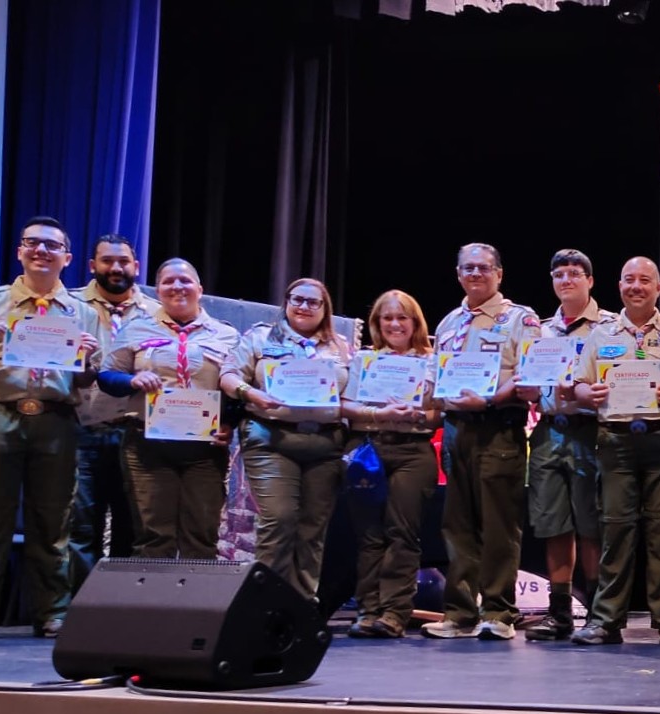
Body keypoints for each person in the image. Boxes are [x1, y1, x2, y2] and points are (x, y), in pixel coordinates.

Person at [0, 217, 104, 638]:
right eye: (32, 242)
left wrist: (85, 358)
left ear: (67, 258)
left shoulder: (83, 313)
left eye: (52, 246)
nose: (41, 250)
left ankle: (53, 612)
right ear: (20, 252)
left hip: (55, 419)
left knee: (53, 521)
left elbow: (85, 380)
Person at [571, 256, 660, 647]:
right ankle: (605, 620)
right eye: (629, 279)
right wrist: (590, 393)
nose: (636, 286)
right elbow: (580, 384)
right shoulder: (600, 334)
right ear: (619, 286)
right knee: (615, 531)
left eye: (645, 280)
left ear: (658, 288)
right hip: (616, 442)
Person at [424, 243, 542, 640]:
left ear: (499, 274)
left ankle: (498, 612)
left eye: (484, 268)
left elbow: (529, 374)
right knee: (457, 525)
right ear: (458, 274)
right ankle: (459, 614)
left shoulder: (520, 319)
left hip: (498, 427)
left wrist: (489, 400)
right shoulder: (448, 323)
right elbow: (436, 377)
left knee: (498, 525)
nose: (476, 274)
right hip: (456, 430)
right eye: (468, 268)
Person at [97, 258, 239, 561]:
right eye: (168, 281)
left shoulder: (225, 334)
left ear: (200, 289)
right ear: (158, 290)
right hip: (148, 446)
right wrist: (132, 380)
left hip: (204, 450)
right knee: (153, 538)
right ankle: (151, 594)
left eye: (185, 280)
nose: (177, 286)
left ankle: (196, 594)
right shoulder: (137, 328)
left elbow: (238, 387)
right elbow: (107, 377)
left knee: (200, 538)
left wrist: (229, 423)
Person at [220, 277, 351, 602]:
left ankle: (302, 605)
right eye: (297, 299)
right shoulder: (261, 336)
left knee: (312, 527)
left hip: (325, 443)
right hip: (271, 438)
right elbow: (229, 375)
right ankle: (267, 604)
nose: (304, 306)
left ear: (325, 308)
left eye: (313, 302)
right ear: (287, 302)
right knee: (279, 519)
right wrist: (251, 394)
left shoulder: (340, 345)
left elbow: (354, 391)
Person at [518, 249, 617, 641]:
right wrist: (526, 388)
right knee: (553, 522)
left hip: (590, 430)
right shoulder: (539, 331)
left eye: (575, 273)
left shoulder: (610, 327)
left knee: (590, 524)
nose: (566, 280)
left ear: (590, 281)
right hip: (549, 431)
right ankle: (559, 612)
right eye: (559, 274)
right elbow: (529, 385)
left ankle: (597, 612)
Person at [338, 290, 440, 638]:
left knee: (402, 533)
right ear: (377, 323)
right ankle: (368, 610)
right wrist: (376, 414)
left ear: (415, 322)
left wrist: (420, 415)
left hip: (413, 451)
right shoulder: (364, 360)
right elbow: (344, 405)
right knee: (369, 536)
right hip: (368, 449)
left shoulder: (433, 361)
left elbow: (443, 412)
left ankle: (395, 613)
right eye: (387, 318)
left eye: (402, 317)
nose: (395, 324)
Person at [70, 234, 160, 585]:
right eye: (107, 261)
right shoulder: (69, 306)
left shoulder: (158, 313)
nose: (116, 267)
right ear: (92, 266)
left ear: (136, 266)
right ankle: (81, 605)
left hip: (137, 433)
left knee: (133, 525)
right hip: (82, 429)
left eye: (123, 261)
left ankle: (119, 604)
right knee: (80, 527)